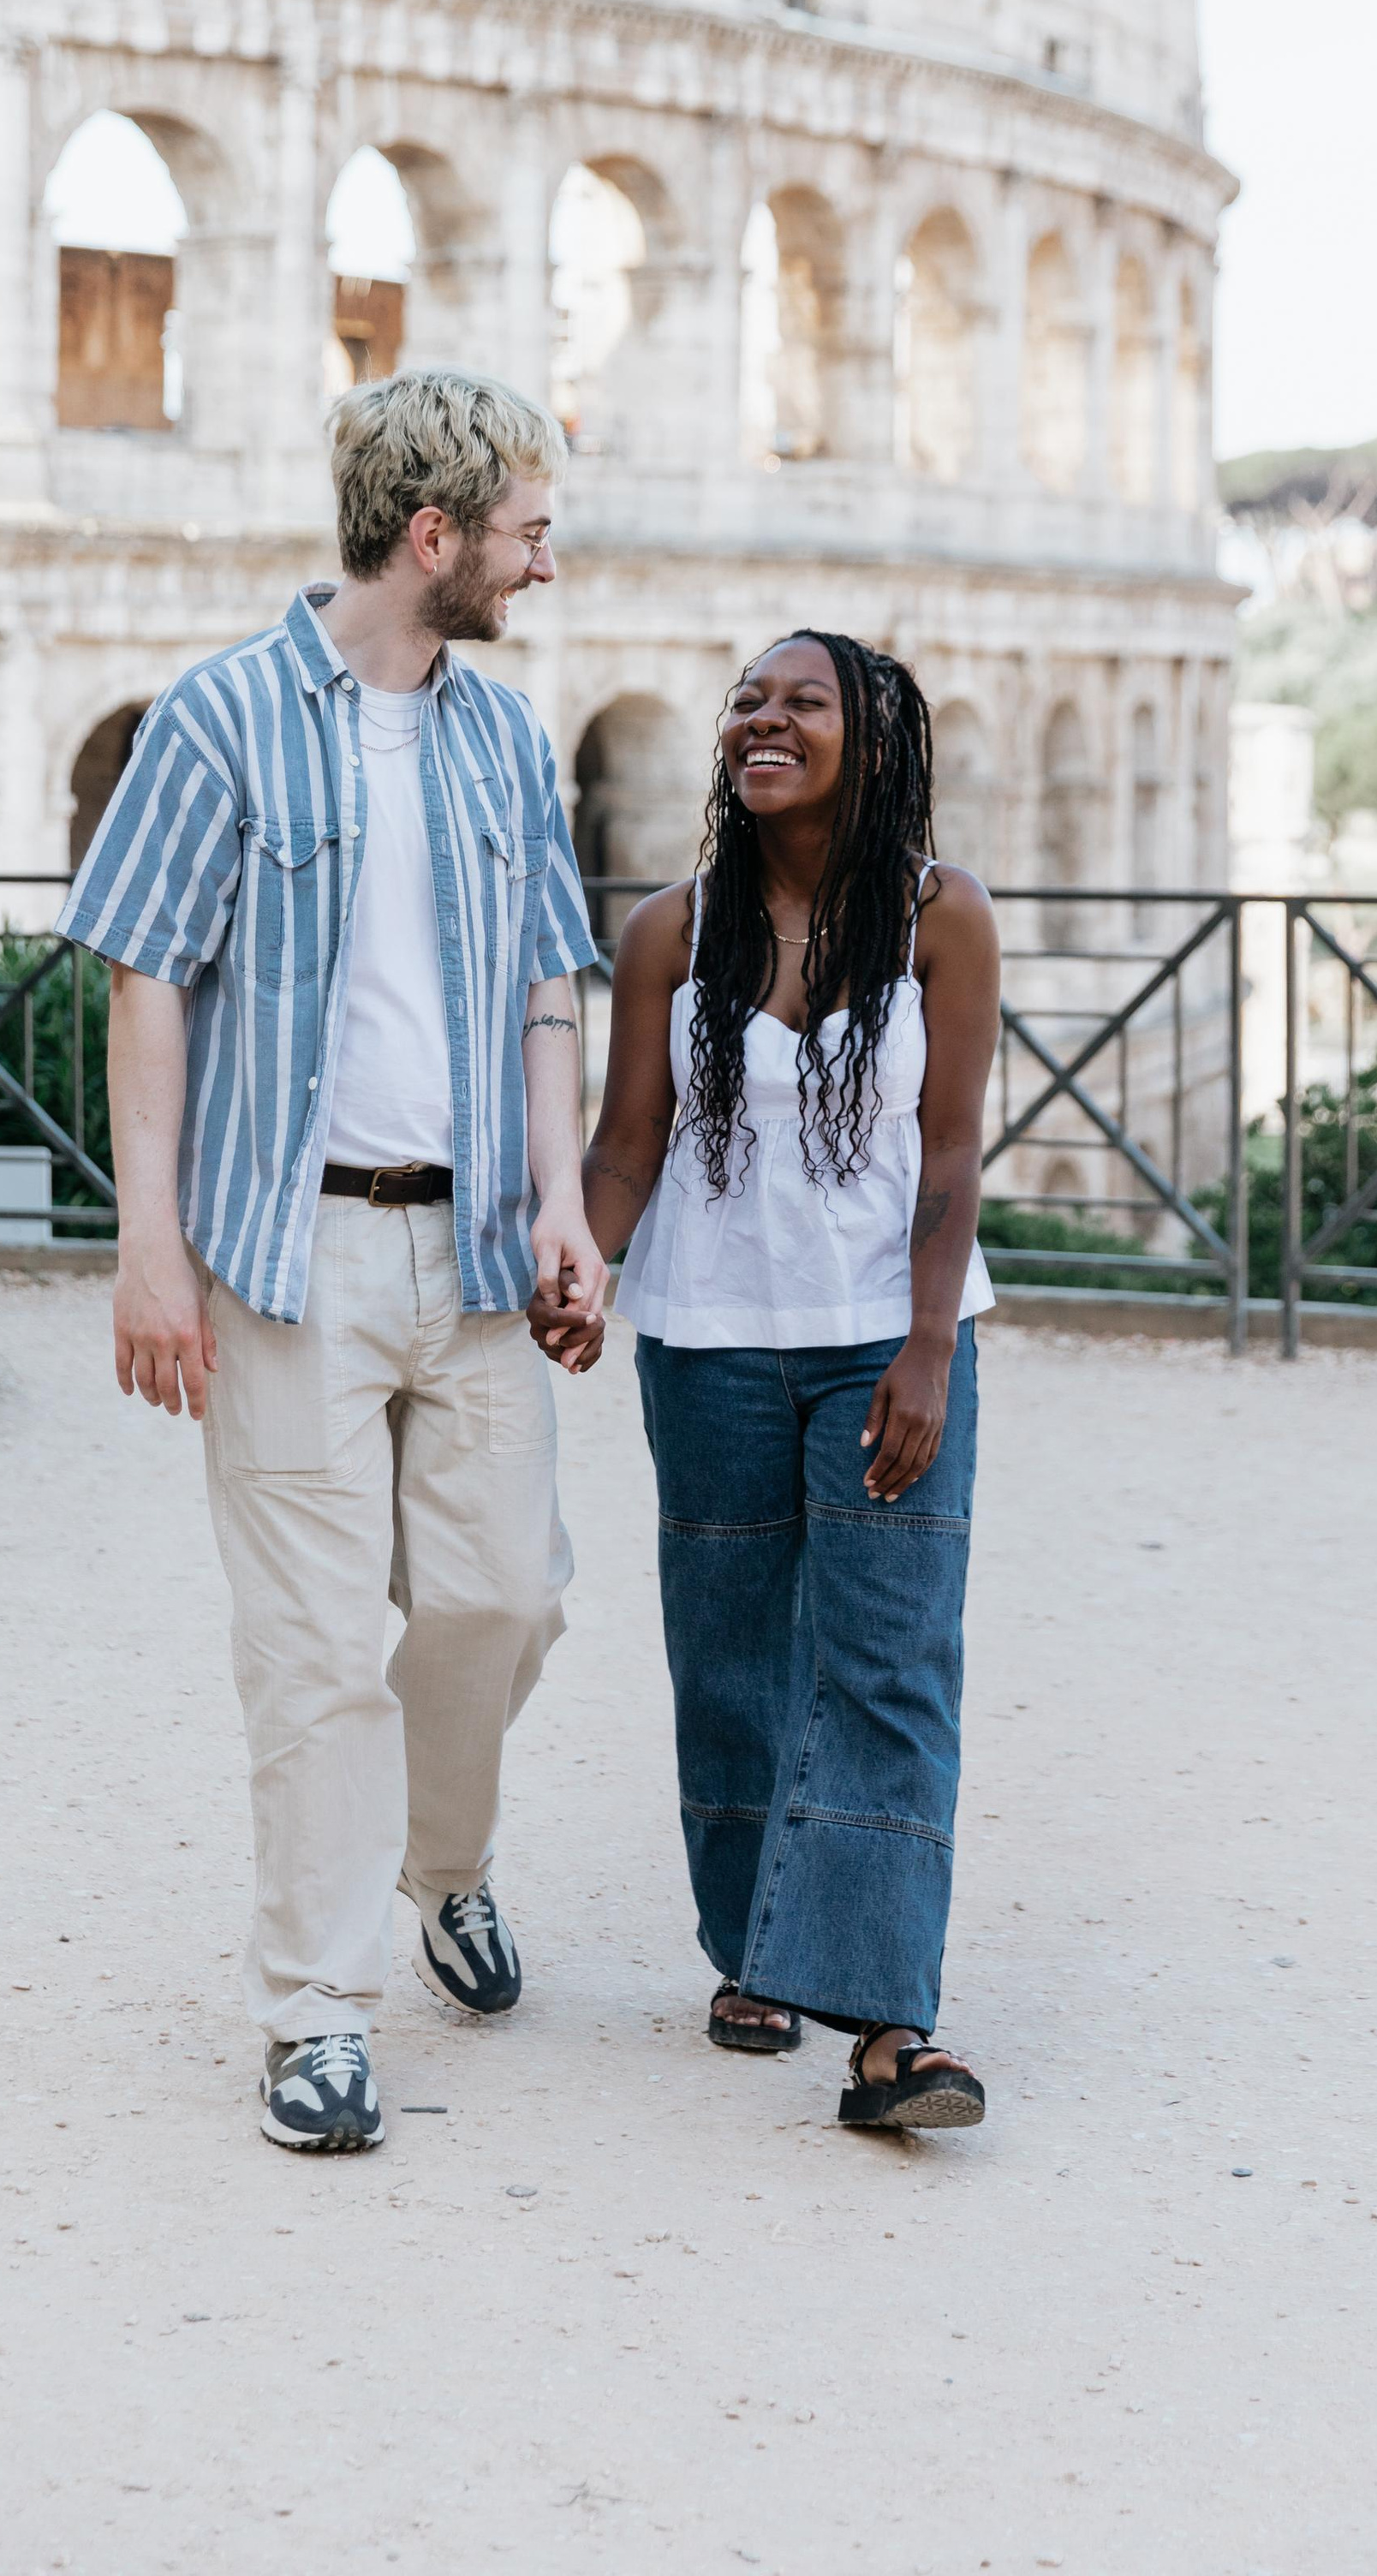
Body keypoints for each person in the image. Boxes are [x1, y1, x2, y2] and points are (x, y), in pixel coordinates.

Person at [61, 365, 606, 2155]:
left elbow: (546, 993)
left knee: (501, 1597)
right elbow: (145, 983)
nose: (545, 566)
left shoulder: (509, 742)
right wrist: (147, 1245)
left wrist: (558, 1206)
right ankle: (314, 2019)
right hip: (278, 1252)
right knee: (309, 1652)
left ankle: (440, 1867)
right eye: (525, 532)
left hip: (469, 1252)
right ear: (431, 534)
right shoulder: (215, 720)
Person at [540, 630, 1001, 2132]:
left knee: (889, 1663)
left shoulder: (945, 920)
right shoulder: (671, 932)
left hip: (888, 1340)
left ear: (871, 739)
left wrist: (930, 1348)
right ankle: (753, 1949)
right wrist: (584, 1267)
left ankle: (889, 2031)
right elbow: (628, 1146)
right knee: (731, 1658)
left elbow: (947, 1159)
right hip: (711, 1341)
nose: (764, 719)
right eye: (748, 698)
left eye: (802, 701)